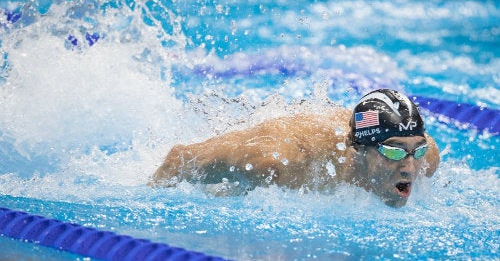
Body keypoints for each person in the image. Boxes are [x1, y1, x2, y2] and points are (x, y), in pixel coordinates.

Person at [150, 89, 440, 208]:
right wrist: (150, 192)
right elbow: (180, 159)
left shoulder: (426, 158)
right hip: (282, 141)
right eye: (393, 152)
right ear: (360, 149)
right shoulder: (283, 162)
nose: (409, 167)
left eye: (417, 150)